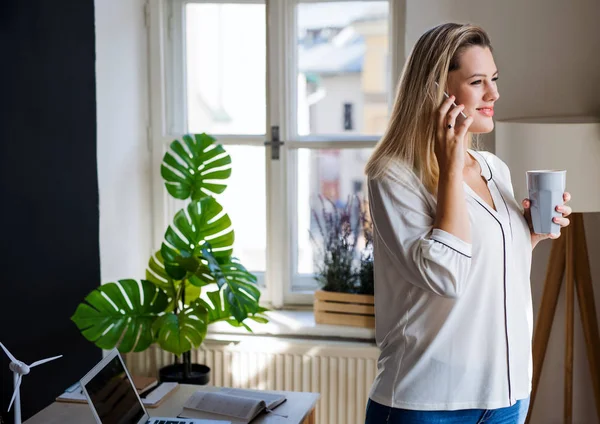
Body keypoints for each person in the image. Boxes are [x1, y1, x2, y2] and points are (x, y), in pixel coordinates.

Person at [363, 23, 572, 424]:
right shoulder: (392, 175)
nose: (494, 94)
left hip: (506, 396)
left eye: (493, 79)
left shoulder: (495, 168)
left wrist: (528, 234)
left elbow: (485, 268)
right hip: (426, 404)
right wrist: (451, 166)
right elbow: (447, 275)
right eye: (478, 82)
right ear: (435, 90)